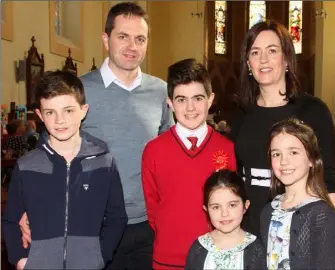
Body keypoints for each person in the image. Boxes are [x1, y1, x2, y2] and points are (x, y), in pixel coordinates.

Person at [19, 3, 173, 269]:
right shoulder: (79, 90)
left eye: (140, 39)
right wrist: (27, 205)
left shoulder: (160, 91)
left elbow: (170, 153)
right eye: (122, 36)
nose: (132, 46)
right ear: (106, 39)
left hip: (149, 224)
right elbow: (48, 153)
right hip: (91, 223)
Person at [2, 71, 128, 270]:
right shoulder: (27, 166)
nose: (59, 120)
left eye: (68, 110)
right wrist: (21, 260)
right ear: (40, 115)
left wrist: (100, 256)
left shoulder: (104, 162)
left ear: (83, 110)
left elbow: (117, 217)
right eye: (50, 112)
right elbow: (10, 220)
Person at [229, 20, 335, 237]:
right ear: (248, 63)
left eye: (272, 51)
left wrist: (332, 238)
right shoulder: (242, 115)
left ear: (287, 58)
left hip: (298, 227)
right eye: (255, 52)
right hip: (247, 228)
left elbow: (327, 179)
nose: (263, 60)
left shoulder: (313, 110)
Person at [141, 59, 236, 269]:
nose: (190, 107)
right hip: (168, 258)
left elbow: (232, 204)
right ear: (170, 102)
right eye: (181, 99)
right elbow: (153, 209)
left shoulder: (227, 149)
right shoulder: (153, 150)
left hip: (216, 256)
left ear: (210, 100)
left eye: (198, 98)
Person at [261, 118, 335, 269]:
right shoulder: (269, 211)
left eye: (293, 152)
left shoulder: (321, 214)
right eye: (276, 154)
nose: (284, 161)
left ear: (311, 159)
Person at [185, 169, 266, 270]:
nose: (224, 213)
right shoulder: (199, 248)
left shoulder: (256, 249)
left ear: (245, 206)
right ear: (206, 210)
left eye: (232, 205)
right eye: (216, 207)